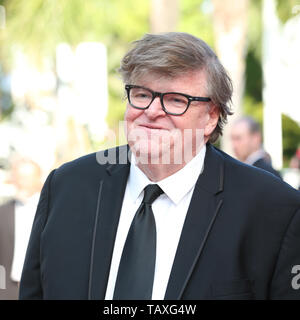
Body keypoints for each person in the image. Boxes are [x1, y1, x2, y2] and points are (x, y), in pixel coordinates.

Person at [19, 32, 300, 300]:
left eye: (176, 100)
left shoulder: (273, 209)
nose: (152, 111)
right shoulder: (67, 187)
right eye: (141, 95)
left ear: (210, 118)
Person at [0, 157, 42, 299]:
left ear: (38, 178)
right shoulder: (3, 211)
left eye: (27, 177)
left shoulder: (50, 210)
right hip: (8, 290)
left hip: (41, 288)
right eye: (18, 177)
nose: (22, 182)